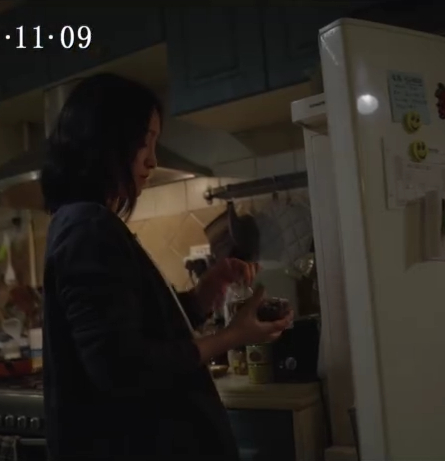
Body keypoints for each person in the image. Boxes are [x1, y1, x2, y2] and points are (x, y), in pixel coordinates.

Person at [40, 73, 294, 461]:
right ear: (109, 140)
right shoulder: (88, 228)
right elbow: (122, 368)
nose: (153, 160)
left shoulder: (83, 224)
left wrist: (203, 294)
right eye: (146, 141)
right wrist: (232, 336)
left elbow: (134, 334)